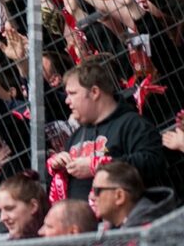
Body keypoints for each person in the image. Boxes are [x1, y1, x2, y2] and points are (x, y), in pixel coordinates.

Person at [49, 59, 166, 205]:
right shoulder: (76, 135)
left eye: (72, 93)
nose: (67, 101)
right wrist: (59, 165)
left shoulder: (133, 124)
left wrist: (98, 166)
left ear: (94, 92)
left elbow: (152, 163)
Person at [91, 161, 176, 230]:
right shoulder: (119, 227)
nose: (92, 197)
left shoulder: (150, 232)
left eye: (97, 191)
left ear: (120, 196)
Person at [0, 174, 47, 240]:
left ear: (33, 206)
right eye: (0, 211)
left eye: (9, 208)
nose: (3, 218)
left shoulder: (56, 241)